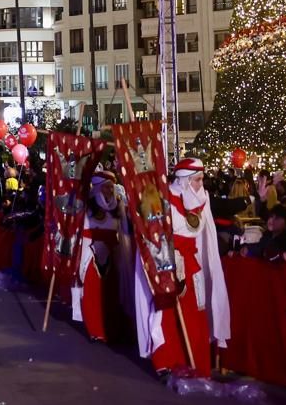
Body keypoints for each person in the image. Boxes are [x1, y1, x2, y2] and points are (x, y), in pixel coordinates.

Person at [134, 157, 231, 378]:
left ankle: (195, 363)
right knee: (167, 315)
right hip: (168, 264)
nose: (201, 184)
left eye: (202, 179)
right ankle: (168, 361)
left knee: (195, 315)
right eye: (197, 180)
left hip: (192, 265)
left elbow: (205, 237)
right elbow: (152, 232)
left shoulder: (201, 200)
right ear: (185, 180)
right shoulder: (163, 198)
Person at [72, 168, 125, 341]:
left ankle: (110, 328)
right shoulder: (87, 206)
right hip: (91, 254)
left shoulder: (118, 207)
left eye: (111, 187)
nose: (109, 191)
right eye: (106, 187)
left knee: (111, 292)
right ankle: (95, 329)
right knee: (93, 292)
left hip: (113, 253)